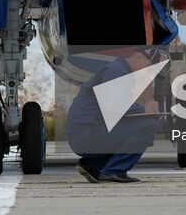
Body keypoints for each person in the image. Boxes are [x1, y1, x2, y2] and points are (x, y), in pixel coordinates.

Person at [66, 48, 165, 183]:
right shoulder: (116, 72)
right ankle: (114, 171)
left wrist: (145, 111)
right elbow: (114, 107)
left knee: (144, 122)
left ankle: (93, 164)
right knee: (147, 124)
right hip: (85, 136)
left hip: (87, 133)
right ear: (137, 59)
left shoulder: (119, 71)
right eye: (149, 69)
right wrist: (145, 109)